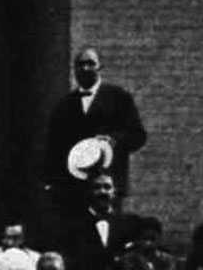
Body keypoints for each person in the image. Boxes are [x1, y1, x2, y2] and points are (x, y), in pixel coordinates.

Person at [43, 49, 148, 216]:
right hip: (74, 187)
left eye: (91, 63)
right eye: (80, 65)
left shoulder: (119, 98)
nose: (85, 68)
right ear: (74, 70)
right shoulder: (64, 105)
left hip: (108, 184)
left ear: (100, 67)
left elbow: (138, 135)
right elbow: (53, 148)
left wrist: (114, 140)